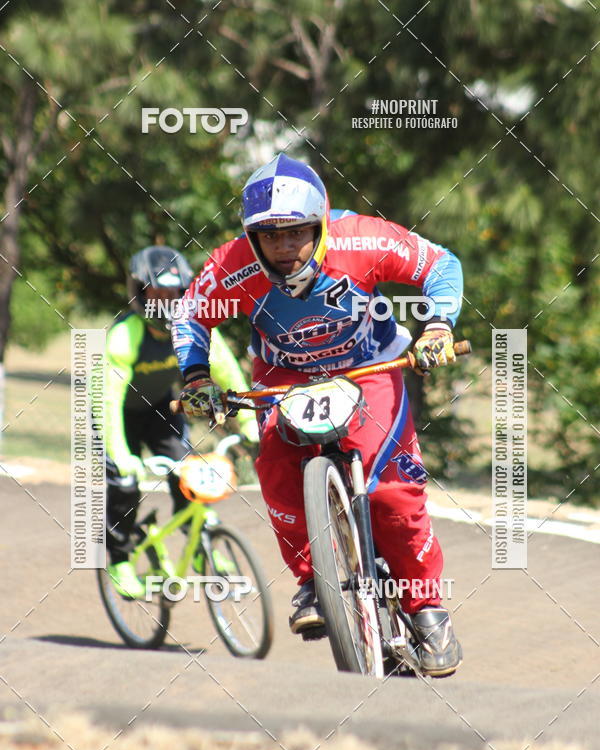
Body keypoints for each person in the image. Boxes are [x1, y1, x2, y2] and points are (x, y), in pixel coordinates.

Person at [171, 154, 464, 676]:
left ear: (321, 225)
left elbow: (441, 264)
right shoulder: (232, 263)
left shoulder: (363, 238)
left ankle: (426, 607)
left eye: (296, 233)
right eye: (270, 236)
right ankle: (312, 581)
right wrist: (196, 377)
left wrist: (438, 326)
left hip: (369, 368)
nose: (284, 248)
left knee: (392, 491)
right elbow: (190, 314)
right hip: (283, 377)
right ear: (252, 237)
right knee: (277, 472)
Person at [104, 244, 258, 599]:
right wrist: (122, 455)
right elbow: (108, 402)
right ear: (140, 293)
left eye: (173, 293)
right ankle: (120, 559)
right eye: (157, 293)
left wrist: (251, 425)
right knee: (125, 483)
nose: (166, 301)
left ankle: (202, 547)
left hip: (158, 410)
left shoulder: (192, 328)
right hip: (116, 416)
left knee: (188, 475)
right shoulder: (125, 335)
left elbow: (227, 373)